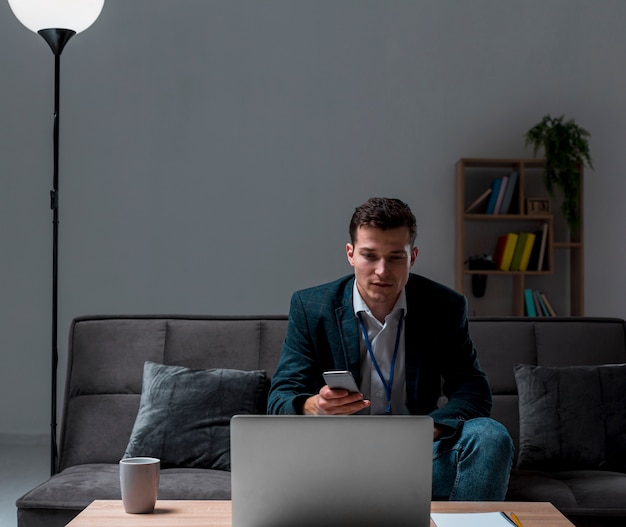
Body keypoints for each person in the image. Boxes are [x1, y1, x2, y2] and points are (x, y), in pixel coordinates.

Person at [267, 197, 513, 500]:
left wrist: (429, 429)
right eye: (370, 256)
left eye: (395, 257)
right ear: (350, 254)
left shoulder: (444, 307)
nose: (382, 271)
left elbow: (473, 391)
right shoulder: (311, 307)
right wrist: (314, 407)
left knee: (491, 436)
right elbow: (280, 396)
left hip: (417, 458)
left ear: (413, 257)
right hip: (337, 459)